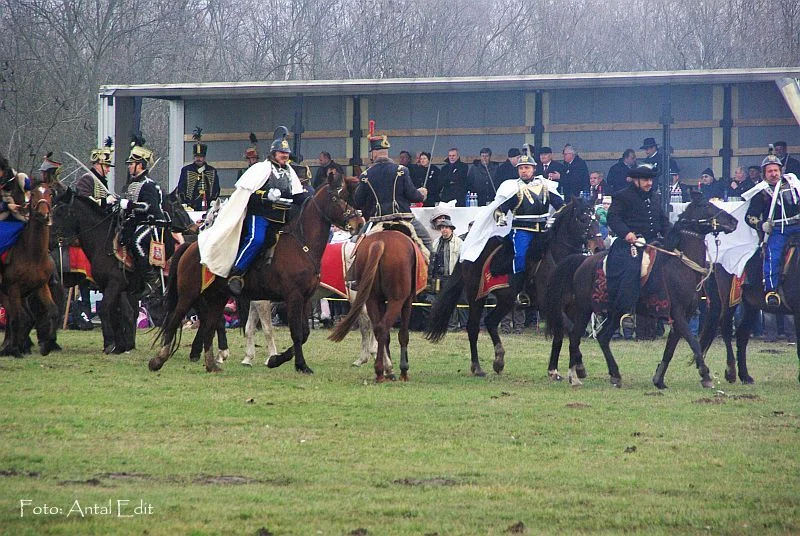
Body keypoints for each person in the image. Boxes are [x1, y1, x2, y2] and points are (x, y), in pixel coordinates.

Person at [212, 126, 309, 296]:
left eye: (286, 153)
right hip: (260, 215)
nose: (284, 156)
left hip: (281, 218)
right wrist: (265, 195)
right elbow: (248, 193)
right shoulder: (261, 169)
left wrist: (312, 201)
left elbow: (297, 195)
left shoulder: (289, 172)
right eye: (281, 152)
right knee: (256, 239)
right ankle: (237, 273)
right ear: (274, 153)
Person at [606, 164, 670, 332]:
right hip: (630, 243)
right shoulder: (622, 196)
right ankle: (626, 311)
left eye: (651, 180)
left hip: (654, 242)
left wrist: (672, 237)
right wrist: (627, 233)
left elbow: (663, 221)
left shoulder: (655, 197)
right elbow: (613, 218)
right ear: (636, 180)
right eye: (646, 180)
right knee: (632, 269)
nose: (650, 183)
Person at [494, 153, 564, 305]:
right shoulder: (514, 189)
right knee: (520, 256)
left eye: (527, 168)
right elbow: (500, 209)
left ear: (534, 169)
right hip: (522, 230)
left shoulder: (546, 186)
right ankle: (519, 291)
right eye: (521, 168)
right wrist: (500, 217)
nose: (524, 171)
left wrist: (556, 217)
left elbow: (561, 206)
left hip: (544, 231)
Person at [352, 121, 431, 253]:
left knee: (355, 247)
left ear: (374, 154)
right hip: (403, 219)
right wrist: (422, 194)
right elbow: (413, 195)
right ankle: (431, 266)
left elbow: (358, 201)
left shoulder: (365, 175)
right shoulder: (401, 170)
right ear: (386, 152)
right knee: (427, 241)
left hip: (376, 221)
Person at [745, 148, 800, 307]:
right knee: (772, 256)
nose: (773, 174)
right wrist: (761, 225)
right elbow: (749, 216)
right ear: (764, 174)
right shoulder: (760, 192)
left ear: (781, 171)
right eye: (770, 171)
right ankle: (772, 291)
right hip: (778, 230)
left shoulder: (794, 184)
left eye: (776, 170)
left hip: (798, 225)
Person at [119, 135, 167, 295]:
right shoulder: (134, 183)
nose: (129, 167)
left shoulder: (148, 185)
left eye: (131, 164)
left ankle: (151, 278)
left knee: (137, 241)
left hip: (153, 223)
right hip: (138, 222)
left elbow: (148, 206)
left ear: (139, 165)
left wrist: (129, 205)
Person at [175, 128, 219, 211]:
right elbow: (181, 188)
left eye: (201, 157)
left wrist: (213, 200)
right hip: (190, 205)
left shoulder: (212, 171)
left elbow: (216, 188)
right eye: (196, 157)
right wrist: (184, 202)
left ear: (204, 157)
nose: (199, 159)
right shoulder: (186, 170)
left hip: (208, 205)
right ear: (193, 157)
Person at [74, 137, 115, 207]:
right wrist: (105, 201)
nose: (108, 170)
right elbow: (84, 202)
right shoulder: (87, 179)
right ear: (97, 164)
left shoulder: (101, 180)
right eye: (106, 166)